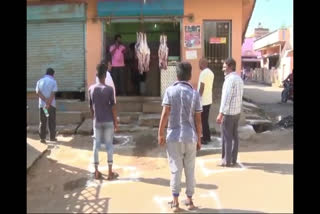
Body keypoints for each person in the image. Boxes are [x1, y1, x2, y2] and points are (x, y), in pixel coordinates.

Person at [158, 62, 202, 212]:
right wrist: (200, 138)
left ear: (176, 75)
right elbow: (198, 119)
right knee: (190, 169)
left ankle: (175, 201)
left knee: (176, 169)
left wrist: (160, 133)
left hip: (174, 136)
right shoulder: (195, 94)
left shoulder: (170, 91)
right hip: (190, 137)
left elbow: (165, 114)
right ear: (190, 76)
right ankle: (189, 200)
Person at [88, 64, 119, 180]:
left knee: (96, 147)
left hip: (97, 121)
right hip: (108, 121)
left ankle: (96, 172)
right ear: (105, 76)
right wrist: (116, 122)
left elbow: (91, 107)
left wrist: (93, 118)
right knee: (109, 145)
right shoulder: (109, 90)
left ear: (96, 75)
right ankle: (110, 172)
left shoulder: (91, 89)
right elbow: (113, 107)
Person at [216, 58, 244, 167]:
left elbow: (226, 98)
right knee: (234, 136)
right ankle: (233, 159)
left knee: (226, 137)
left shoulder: (230, 80)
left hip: (228, 113)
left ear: (230, 66)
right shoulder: (239, 79)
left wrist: (221, 113)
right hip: (236, 112)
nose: (223, 67)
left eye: (225, 66)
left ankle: (226, 160)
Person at [35, 68, 58, 144]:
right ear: (52, 74)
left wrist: (45, 101)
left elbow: (38, 92)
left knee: (43, 120)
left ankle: (42, 138)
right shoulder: (53, 82)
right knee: (51, 120)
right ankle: (52, 137)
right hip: (51, 106)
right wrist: (48, 103)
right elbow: (53, 93)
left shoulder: (39, 81)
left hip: (43, 106)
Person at [197, 58, 214, 145]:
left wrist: (198, 98)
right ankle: (208, 137)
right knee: (205, 120)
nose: (198, 65)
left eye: (199, 63)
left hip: (203, 101)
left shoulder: (203, 73)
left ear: (203, 64)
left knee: (203, 120)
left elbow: (202, 87)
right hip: (208, 100)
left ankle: (205, 139)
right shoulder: (211, 72)